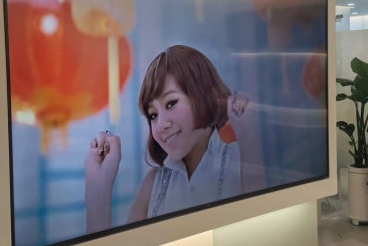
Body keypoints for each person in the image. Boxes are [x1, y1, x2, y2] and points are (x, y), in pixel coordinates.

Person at [85, 45, 266, 233]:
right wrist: (99, 191)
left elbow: (261, 233)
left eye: (171, 103)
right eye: (153, 115)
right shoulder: (152, 185)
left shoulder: (240, 159)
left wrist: (249, 140)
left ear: (203, 94)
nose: (161, 124)